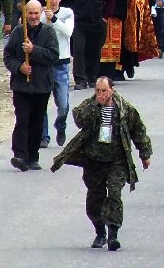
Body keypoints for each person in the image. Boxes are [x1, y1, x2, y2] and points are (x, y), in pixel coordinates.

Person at [51, 77, 152, 252]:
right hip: (94, 161)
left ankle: (113, 234)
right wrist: (95, 105)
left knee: (114, 194)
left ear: (112, 90)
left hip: (117, 161)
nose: (101, 94)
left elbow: (138, 130)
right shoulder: (89, 105)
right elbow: (79, 119)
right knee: (94, 198)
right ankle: (100, 232)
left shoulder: (124, 108)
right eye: (98, 90)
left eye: (104, 90)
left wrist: (145, 154)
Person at [2, 0, 59, 172]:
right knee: (22, 120)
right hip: (21, 86)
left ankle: (33, 156)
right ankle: (20, 155)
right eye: (30, 13)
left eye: (36, 13)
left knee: (36, 122)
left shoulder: (48, 31)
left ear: (41, 13)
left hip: (41, 85)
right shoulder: (19, 32)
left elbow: (53, 55)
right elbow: (8, 56)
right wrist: (19, 67)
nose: (33, 17)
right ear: (25, 14)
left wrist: (34, 51)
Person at [70, 0, 114, 90]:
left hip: (97, 22)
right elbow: (66, 1)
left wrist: (105, 17)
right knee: (78, 50)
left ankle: (92, 77)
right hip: (78, 23)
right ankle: (80, 79)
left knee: (94, 51)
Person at [42, 0, 74, 148]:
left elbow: (68, 32)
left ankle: (61, 124)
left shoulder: (67, 13)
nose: (53, 1)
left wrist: (54, 19)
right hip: (44, 63)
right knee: (41, 101)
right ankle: (43, 136)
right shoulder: (41, 15)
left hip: (61, 62)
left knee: (63, 104)